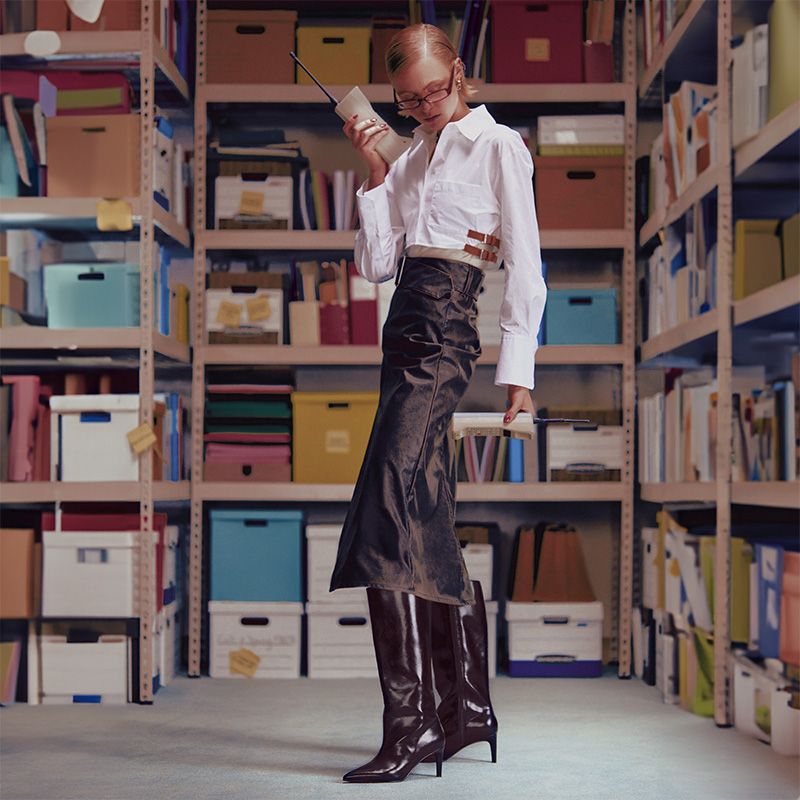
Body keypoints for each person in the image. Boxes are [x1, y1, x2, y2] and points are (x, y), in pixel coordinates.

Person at [328, 22, 547, 783]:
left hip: (449, 327)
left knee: (385, 507)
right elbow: (379, 264)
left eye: (433, 90)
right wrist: (376, 174)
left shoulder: (497, 146)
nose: (423, 107)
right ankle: (467, 709)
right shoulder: (410, 155)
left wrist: (519, 379)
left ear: (459, 70)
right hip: (403, 328)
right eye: (407, 99)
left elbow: (528, 269)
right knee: (423, 519)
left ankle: (412, 724)